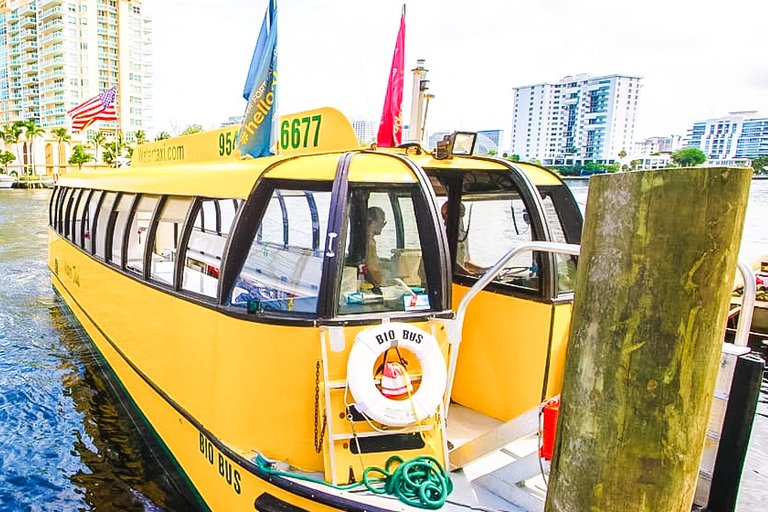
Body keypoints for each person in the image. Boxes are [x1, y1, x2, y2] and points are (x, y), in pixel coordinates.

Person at [365, 206, 387, 290]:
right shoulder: (370, 243)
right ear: (374, 223)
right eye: (382, 223)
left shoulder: (368, 239)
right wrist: (383, 283)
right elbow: (372, 268)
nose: (383, 226)